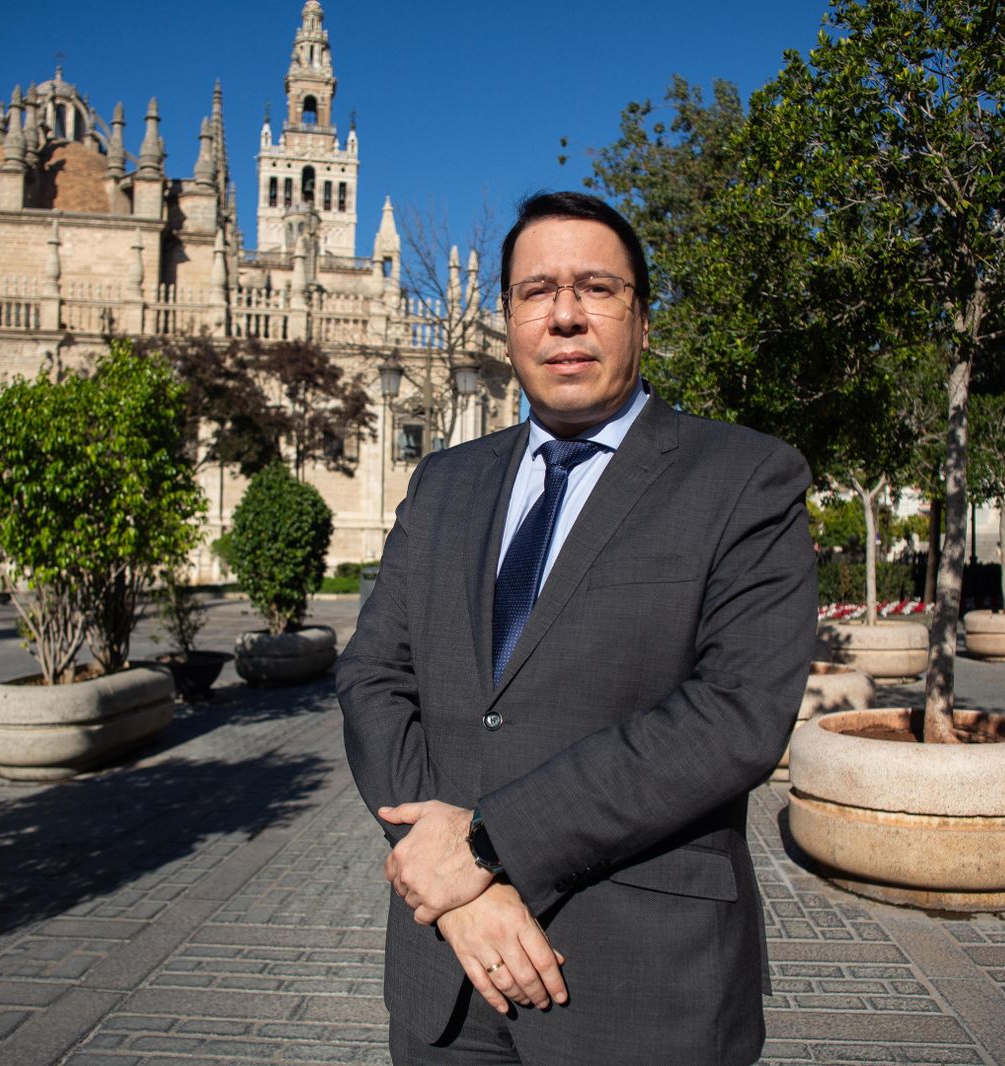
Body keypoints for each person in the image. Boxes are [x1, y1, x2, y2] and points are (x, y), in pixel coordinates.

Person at [336, 191, 815, 1064]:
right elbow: (372, 677)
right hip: (446, 977)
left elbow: (736, 716)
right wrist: (458, 887)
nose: (564, 315)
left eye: (597, 288)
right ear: (507, 316)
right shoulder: (445, 484)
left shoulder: (743, 477)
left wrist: (485, 848)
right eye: (535, 291)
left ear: (641, 317)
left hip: (641, 982)